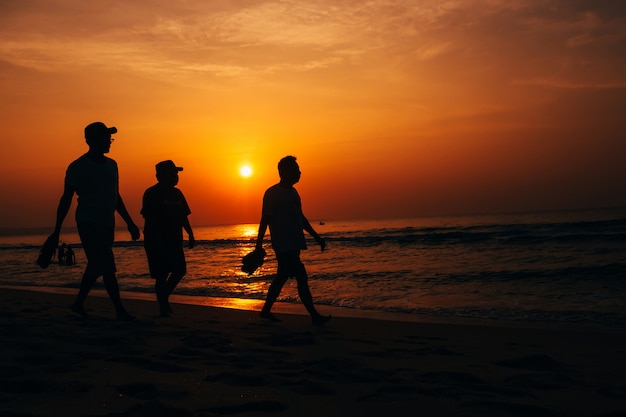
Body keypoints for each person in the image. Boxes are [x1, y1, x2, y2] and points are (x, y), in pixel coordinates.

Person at [47, 121, 140, 321]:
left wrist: (130, 222)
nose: (110, 142)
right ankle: (120, 310)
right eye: (106, 138)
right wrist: (56, 231)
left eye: (110, 138)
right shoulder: (77, 167)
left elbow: (116, 197)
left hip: (107, 222)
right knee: (106, 264)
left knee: (98, 264)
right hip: (88, 221)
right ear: (91, 140)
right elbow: (66, 199)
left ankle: (78, 304)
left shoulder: (112, 165)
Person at [254, 155, 331, 326]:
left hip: (294, 243)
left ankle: (266, 311)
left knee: (281, 277)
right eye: (296, 170)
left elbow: (301, 218)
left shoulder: (294, 193)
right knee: (301, 276)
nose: (299, 173)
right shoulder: (272, 193)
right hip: (283, 244)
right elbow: (264, 220)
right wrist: (258, 245)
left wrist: (317, 237)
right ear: (285, 172)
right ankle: (314, 316)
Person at [141, 160, 195, 317]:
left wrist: (190, 233)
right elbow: (149, 219)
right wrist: (157, 241)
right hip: (156, 241)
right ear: (160, 176)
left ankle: (163, 300)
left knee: (180, 270)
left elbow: (184, 216)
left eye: (176, 173)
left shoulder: (177, 193)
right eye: (173, 173)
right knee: (161, 275)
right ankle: (163, 306)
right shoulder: (151, 193)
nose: (176, 177)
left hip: (175, 240)